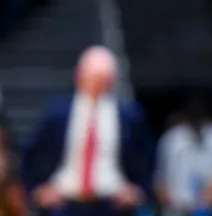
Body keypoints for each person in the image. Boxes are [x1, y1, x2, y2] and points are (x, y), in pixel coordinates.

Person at [21, 46, 155, 216]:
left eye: (103, 78)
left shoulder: (128, 114)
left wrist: (140, 190)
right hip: (66, 201)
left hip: (112, 202)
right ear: (79, 76)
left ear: (111, 80)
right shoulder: (58, 112)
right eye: (93, 78)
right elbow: (30, 152)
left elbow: (149, 155)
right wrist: (36, 190)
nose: (97, 84)